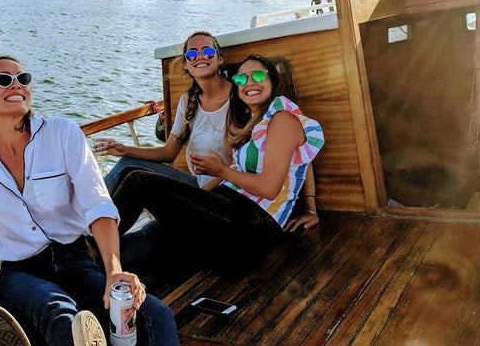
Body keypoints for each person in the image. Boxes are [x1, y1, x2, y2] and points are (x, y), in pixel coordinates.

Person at [0, 56, 182, 346]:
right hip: (21, 274)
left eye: (23, 78)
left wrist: (114, 271)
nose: (16, 84)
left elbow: (98, 206)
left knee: (154, 315)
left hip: (77, 262)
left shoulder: (62, 134)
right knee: (61, 314)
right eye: (3, 79)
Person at [111, 54, 325, 271]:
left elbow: (269, 189)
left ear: (273, 81)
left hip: (252, 225)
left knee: (140, 180)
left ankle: (85, 242)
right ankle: (91, 258)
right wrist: (191, 195)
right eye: (241, 79)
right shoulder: (253, 125)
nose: (249, 83)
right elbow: (301, 162)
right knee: (143, 242)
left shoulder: (283, 120)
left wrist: (220, 170)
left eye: (258, 76)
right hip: (225, 211)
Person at [96, 31, 232, 192]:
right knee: (128, 164)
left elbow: (239, 165)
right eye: (192, 54)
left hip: (224, 190)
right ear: (186, 65)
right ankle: (91, 208)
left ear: (219, 58)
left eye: (208, 52)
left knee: (139, 184)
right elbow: (169, 152)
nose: (201, 57)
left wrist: (199, 196)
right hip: (197, 185)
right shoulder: (188, 100)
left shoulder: (237, 98)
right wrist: (124, 149)